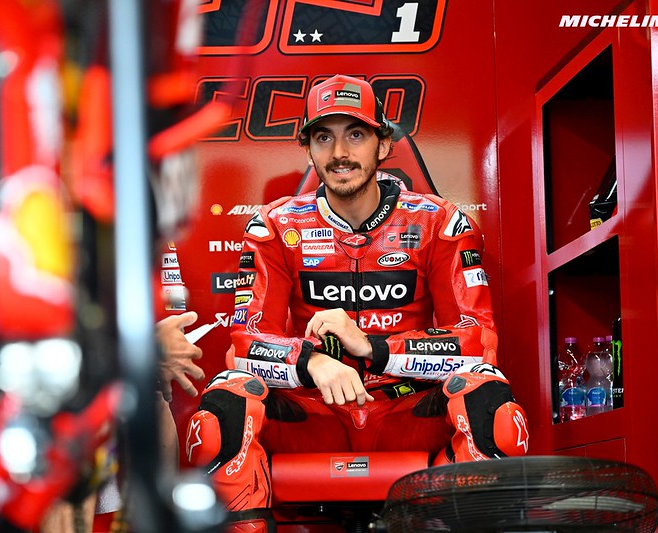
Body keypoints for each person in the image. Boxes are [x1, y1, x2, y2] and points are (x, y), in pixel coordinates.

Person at [184, 74, 529, 530]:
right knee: (226, 404)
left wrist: (373, 347)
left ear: (383, 144)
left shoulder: (440, 222)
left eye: (356, 135)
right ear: (308, 149)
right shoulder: (274, 225)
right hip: (316, 414)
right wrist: (313, 363)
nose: (339, 153)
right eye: (323, 137)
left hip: (406, 411)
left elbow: (477, 341)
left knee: (489, 400)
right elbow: (246, 343)